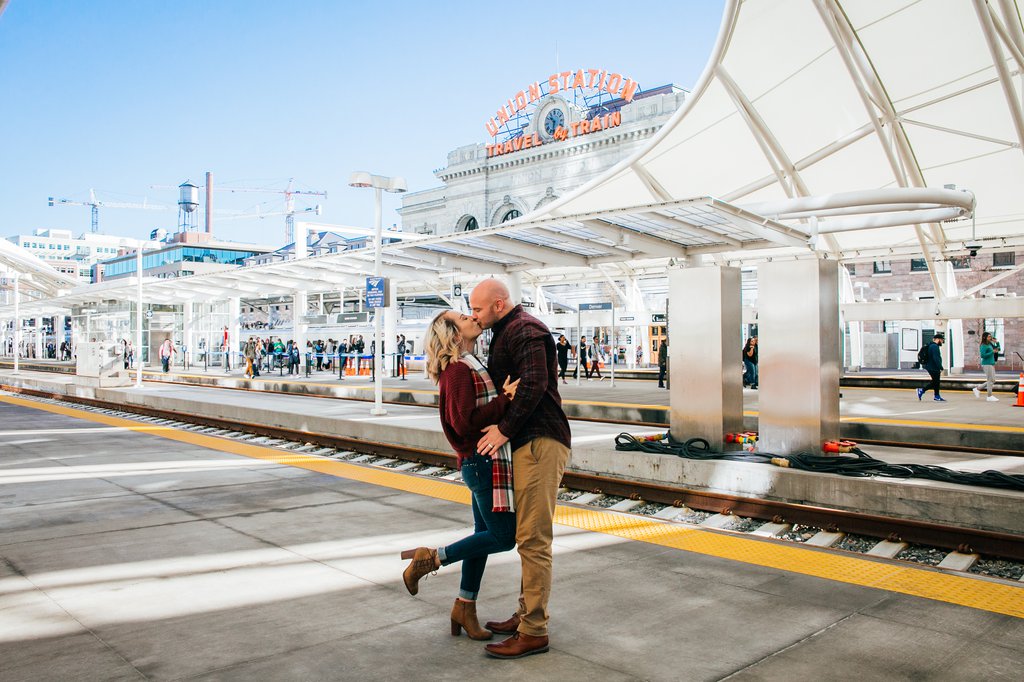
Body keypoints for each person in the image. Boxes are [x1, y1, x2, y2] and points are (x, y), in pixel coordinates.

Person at [401, 310, 520, 641]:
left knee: (481, 537)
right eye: (465, 317)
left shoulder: (468, 364)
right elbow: (463, 422)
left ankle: (464, 606)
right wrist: (504, 401)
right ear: (454, 335)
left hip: (482, 461)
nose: (473, 317)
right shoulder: (456, 372)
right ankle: (431, 558)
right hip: (480, 463)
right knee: (503, 537)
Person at [469, 278, 572, 660]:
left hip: (539, 442)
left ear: (499, 304)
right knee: (528, 537)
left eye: (478, 309)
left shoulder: (526, 329)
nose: (473, 315)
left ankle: (534, 631)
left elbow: (534, 383)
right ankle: (524, 613)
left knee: (532, 539)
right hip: (529, 444)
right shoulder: (506, 329)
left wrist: (503, 429)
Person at [917, 331, 946, 402]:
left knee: (936, 382)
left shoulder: (931, 345)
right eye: (942, 340)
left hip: (930, 366)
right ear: (938, 339)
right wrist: (940, 367)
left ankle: (936, 396)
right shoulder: (934, 347)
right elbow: (936, 358)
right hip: (933, 367)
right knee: (935, 382)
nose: (942, 342)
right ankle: (922, 390)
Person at [972, 331, 1000, 402]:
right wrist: (992, 352)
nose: (990, 337)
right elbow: (983, 355)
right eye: (989, 336)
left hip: (991, 363)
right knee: (990, 380)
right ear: (985, 337)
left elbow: (998, 348)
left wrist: (997, 342)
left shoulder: (990, 344)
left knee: (993, 380)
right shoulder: (983, 345)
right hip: (986, 364)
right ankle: (989, 396)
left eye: (991, 336)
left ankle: (978, 388)